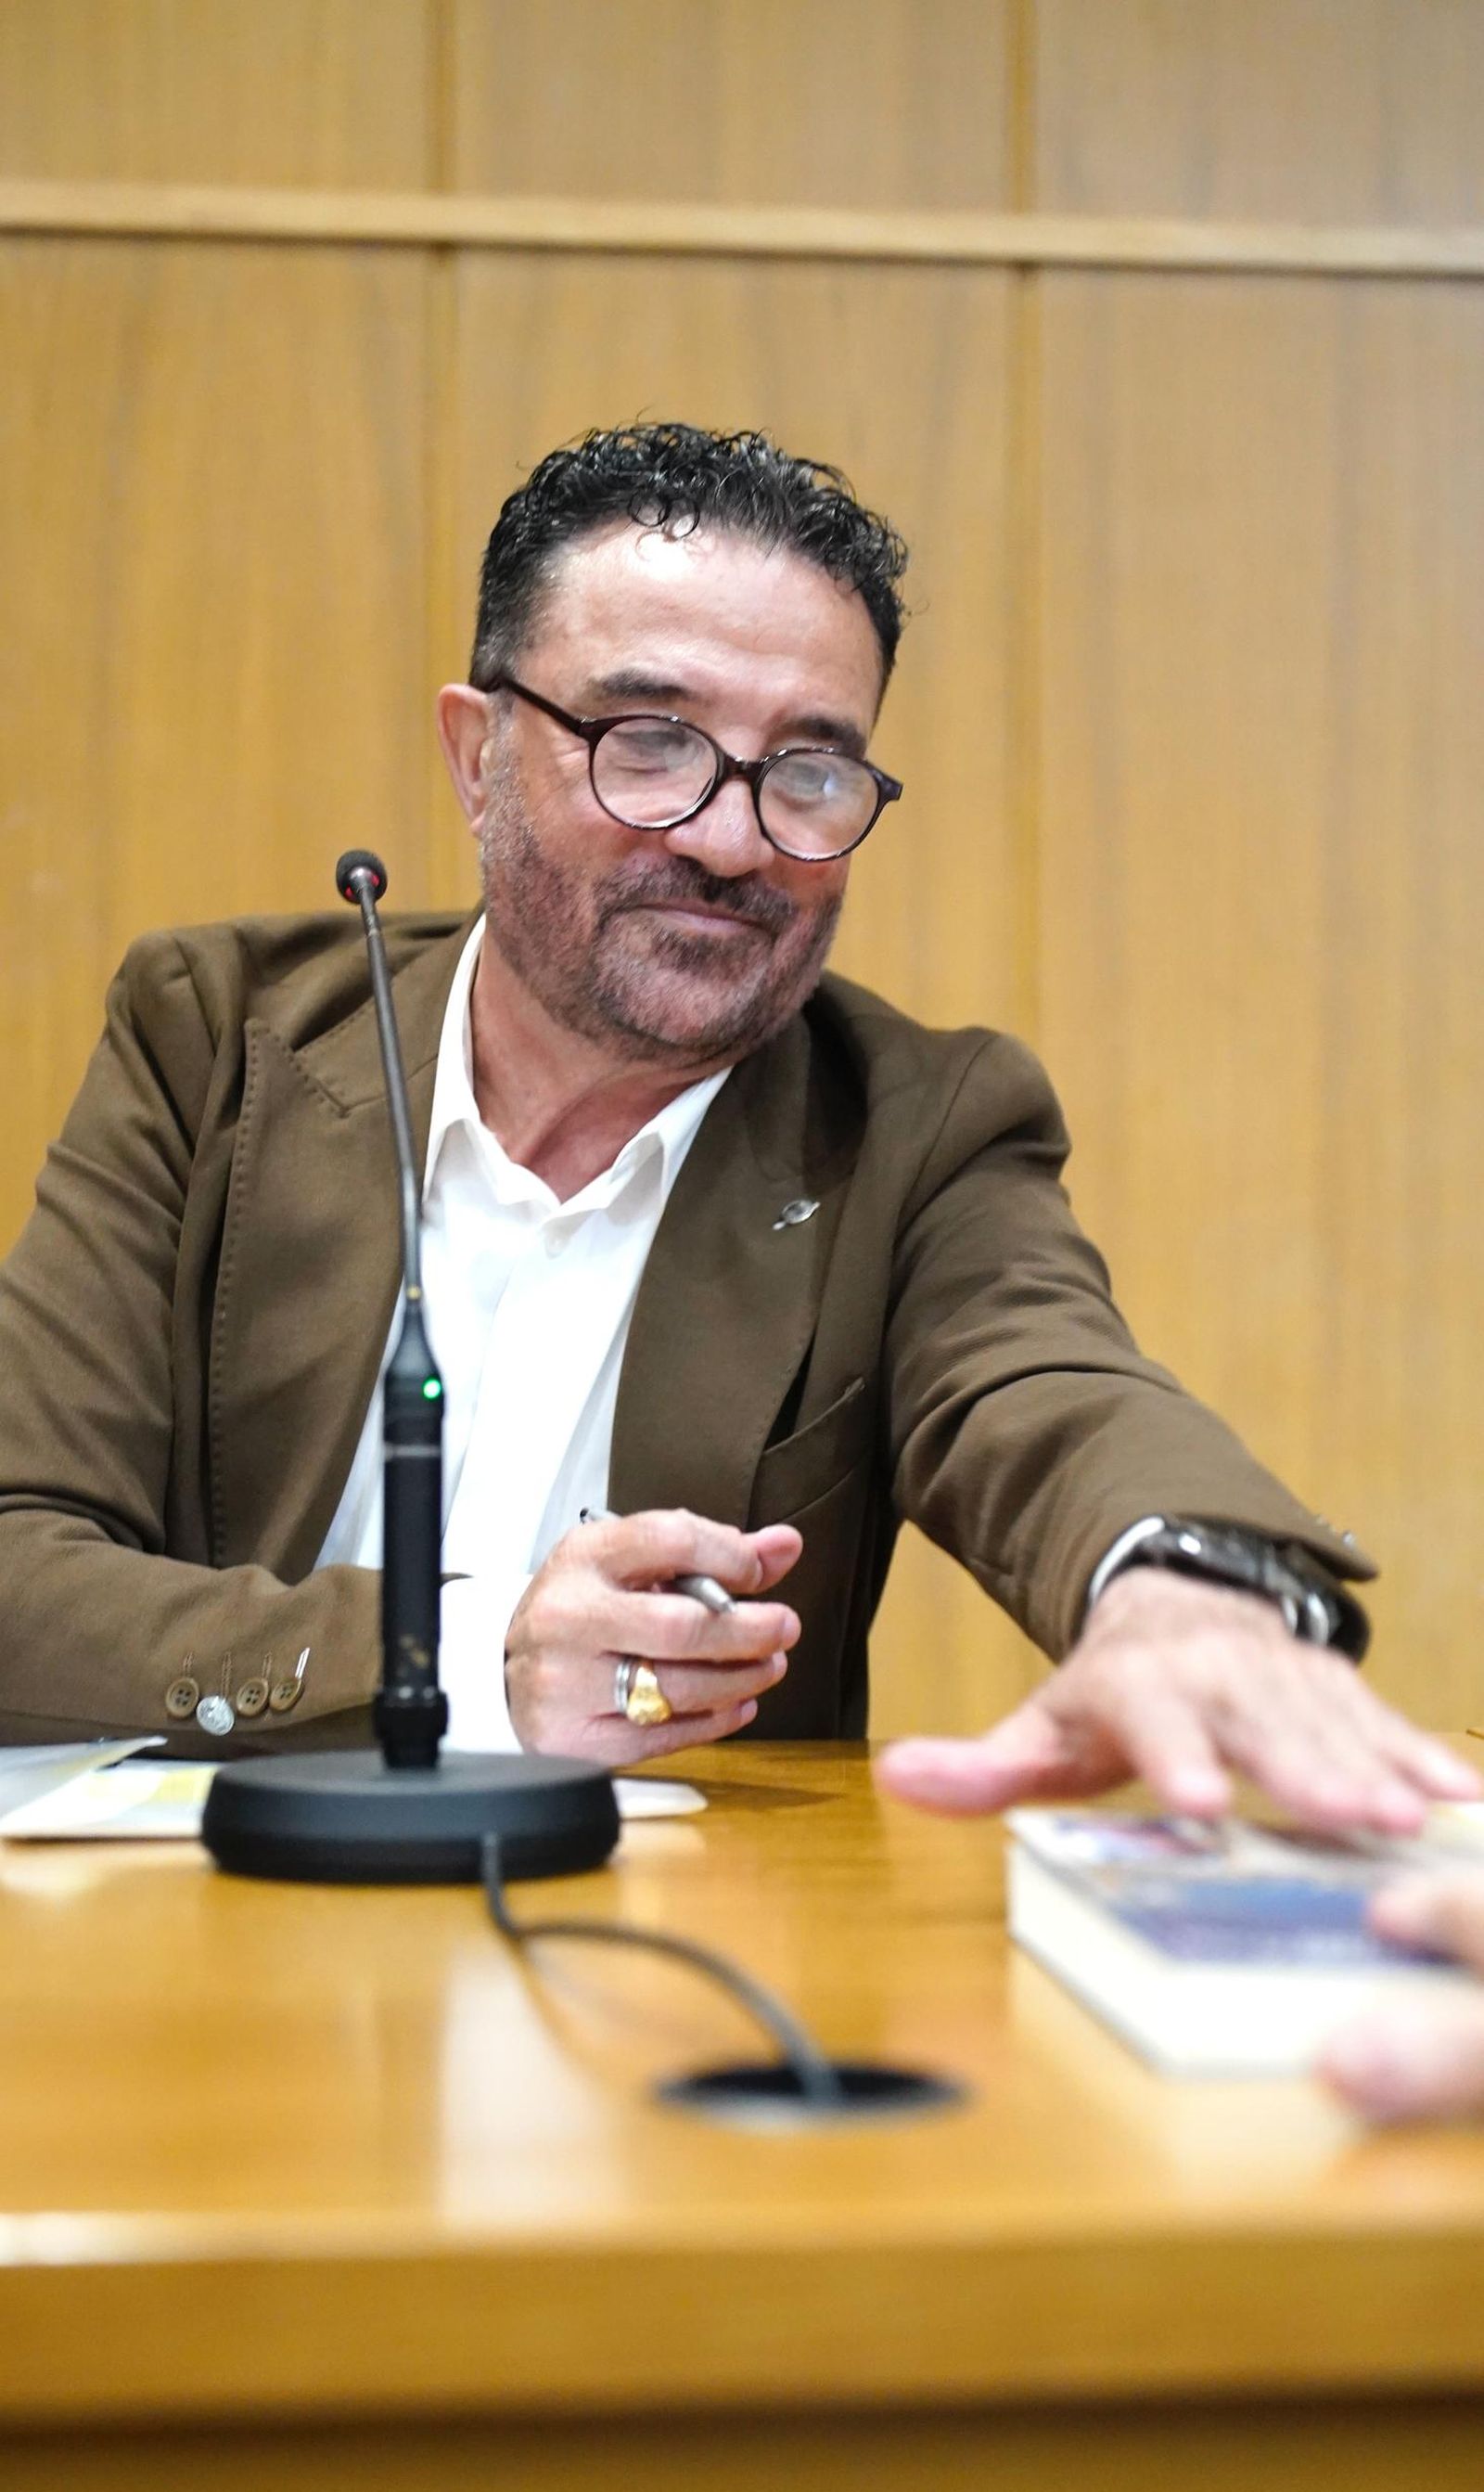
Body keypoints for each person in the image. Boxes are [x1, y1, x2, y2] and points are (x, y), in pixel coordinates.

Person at [0, 424, 1475, 1861]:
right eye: (652, 743)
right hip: (197, 1941)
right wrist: (463, 1654)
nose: (731, 838)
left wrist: (1178, 1586)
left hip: (668, 1993)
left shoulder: (914, 1124)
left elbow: (1050, 1385)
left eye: (809, 770)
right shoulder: (219, 1043)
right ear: (478, 753)